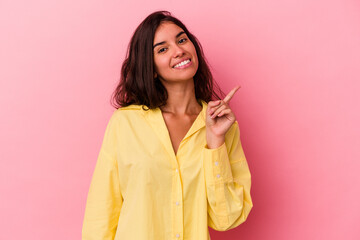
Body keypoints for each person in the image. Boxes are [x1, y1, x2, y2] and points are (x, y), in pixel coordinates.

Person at [82, 10, 253, 240]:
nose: (179, 50)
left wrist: (215, 144)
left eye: (182, 40)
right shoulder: (126, 123)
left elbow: (226, 219)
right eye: (163, 49)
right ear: (151, 68)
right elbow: (101, 214)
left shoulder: (221, 125)